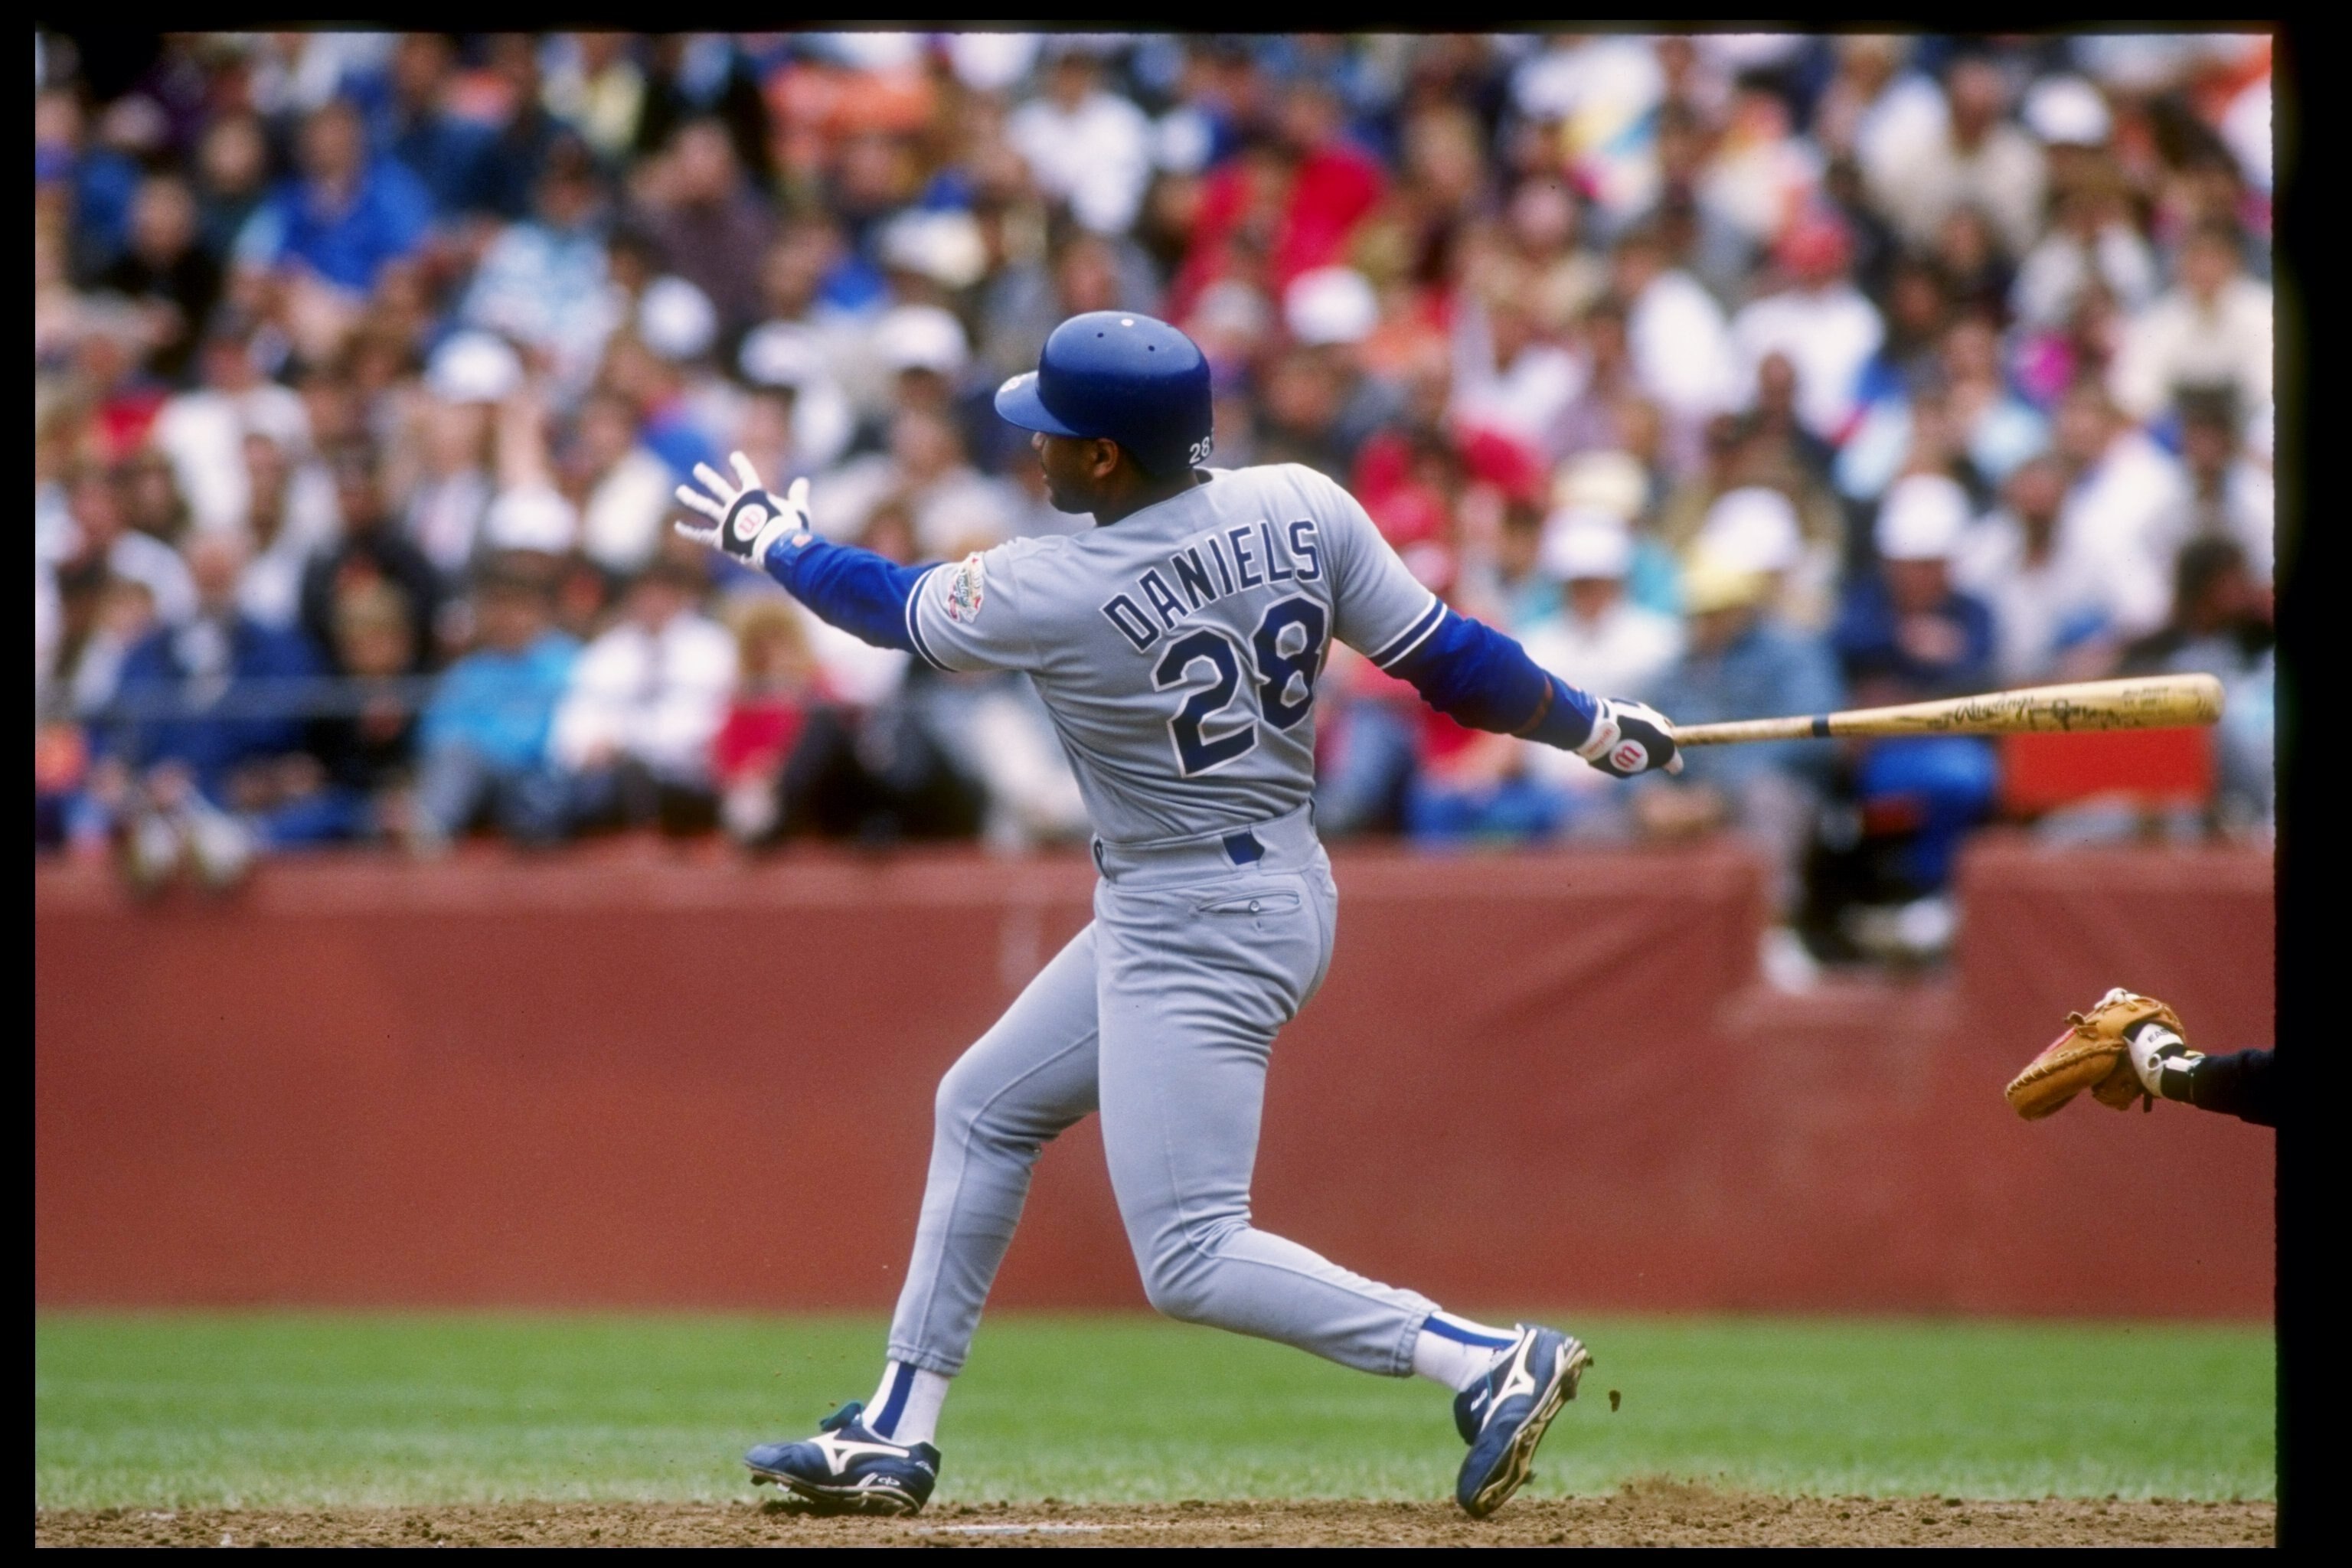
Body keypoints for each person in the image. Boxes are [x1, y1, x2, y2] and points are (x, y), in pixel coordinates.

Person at [674, 312, 1684, 1520]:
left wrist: (773, 540)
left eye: (1054, 435)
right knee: (984, 1108)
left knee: (1193, 1254)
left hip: (1194, 919)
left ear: (1107, 457)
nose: (1034, 450)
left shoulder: (1062, 580)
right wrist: (1594, 727)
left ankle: (1479, 1358)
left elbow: (885, 606)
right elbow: (1450, 658)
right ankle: (897, 1427)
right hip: (1263, 888)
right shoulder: (1302, 502)